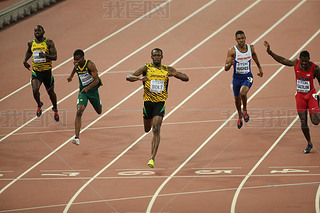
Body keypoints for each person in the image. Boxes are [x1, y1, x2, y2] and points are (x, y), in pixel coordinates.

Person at [126, 48, 189, 168]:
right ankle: (150, 135)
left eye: (158, 55)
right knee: (147, 129)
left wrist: (176, 75)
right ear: (151, 57)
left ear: (162, 56)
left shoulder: (167, 69)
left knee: (156, 129)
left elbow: (186, 78)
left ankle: (152, 158)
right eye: (154, 55)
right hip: (147, 103)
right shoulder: (146, 68)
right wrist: (140, 78)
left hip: (159, 103)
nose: (156, 57)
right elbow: (129, 76)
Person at [264, 41, 320, 153]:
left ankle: (317, 103)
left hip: (311, 95)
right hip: (300, 96)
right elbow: (283, 60)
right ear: (299, 59)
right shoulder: (295, 63)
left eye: (306, 61)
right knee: (303, 122)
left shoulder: (315, 68)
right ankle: (309, 143)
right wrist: (270, 52)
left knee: (315, 122)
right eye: (302, 61)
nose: (304, 63)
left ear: (309, 59)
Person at [225, 30, 263, 129]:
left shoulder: (251, 48)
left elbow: (254, 55)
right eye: (239, 39)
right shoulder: (232, 51)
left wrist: (259, 67)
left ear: (245, 38)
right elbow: (225, 68)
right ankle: (239, 115)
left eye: (242, 38)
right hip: (236, 79)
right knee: (237, 99)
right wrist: (230, 64)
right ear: (236, 40)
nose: (241, 40)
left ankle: (245, 109)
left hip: (247, 77)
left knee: (243, 92)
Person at [23, 25, 59, 121]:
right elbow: (29, 52)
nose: (37, 32)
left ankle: (55, 109)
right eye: (35, 31)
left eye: (39, 31)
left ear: (43, 32)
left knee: (50, 93)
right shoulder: (31, 43)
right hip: (36, 72)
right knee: (35, 90)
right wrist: (25, 61)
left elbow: (55, 57)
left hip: (47, 72)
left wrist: (46, 55)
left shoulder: (49, 42)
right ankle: (39, 104)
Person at [67, 49, 102, 145]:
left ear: (83, 58)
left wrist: (88, 88)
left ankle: (99, 102)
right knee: (79, 111)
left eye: (78, 59)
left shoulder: (90, 65)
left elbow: (97, 81)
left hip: (92, 91)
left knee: (99, 111)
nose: (76, 61)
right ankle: (76, 137)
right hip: (83, 92)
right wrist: (71, 76)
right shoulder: (76, 64)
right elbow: (75, 68)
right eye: (74, 59)